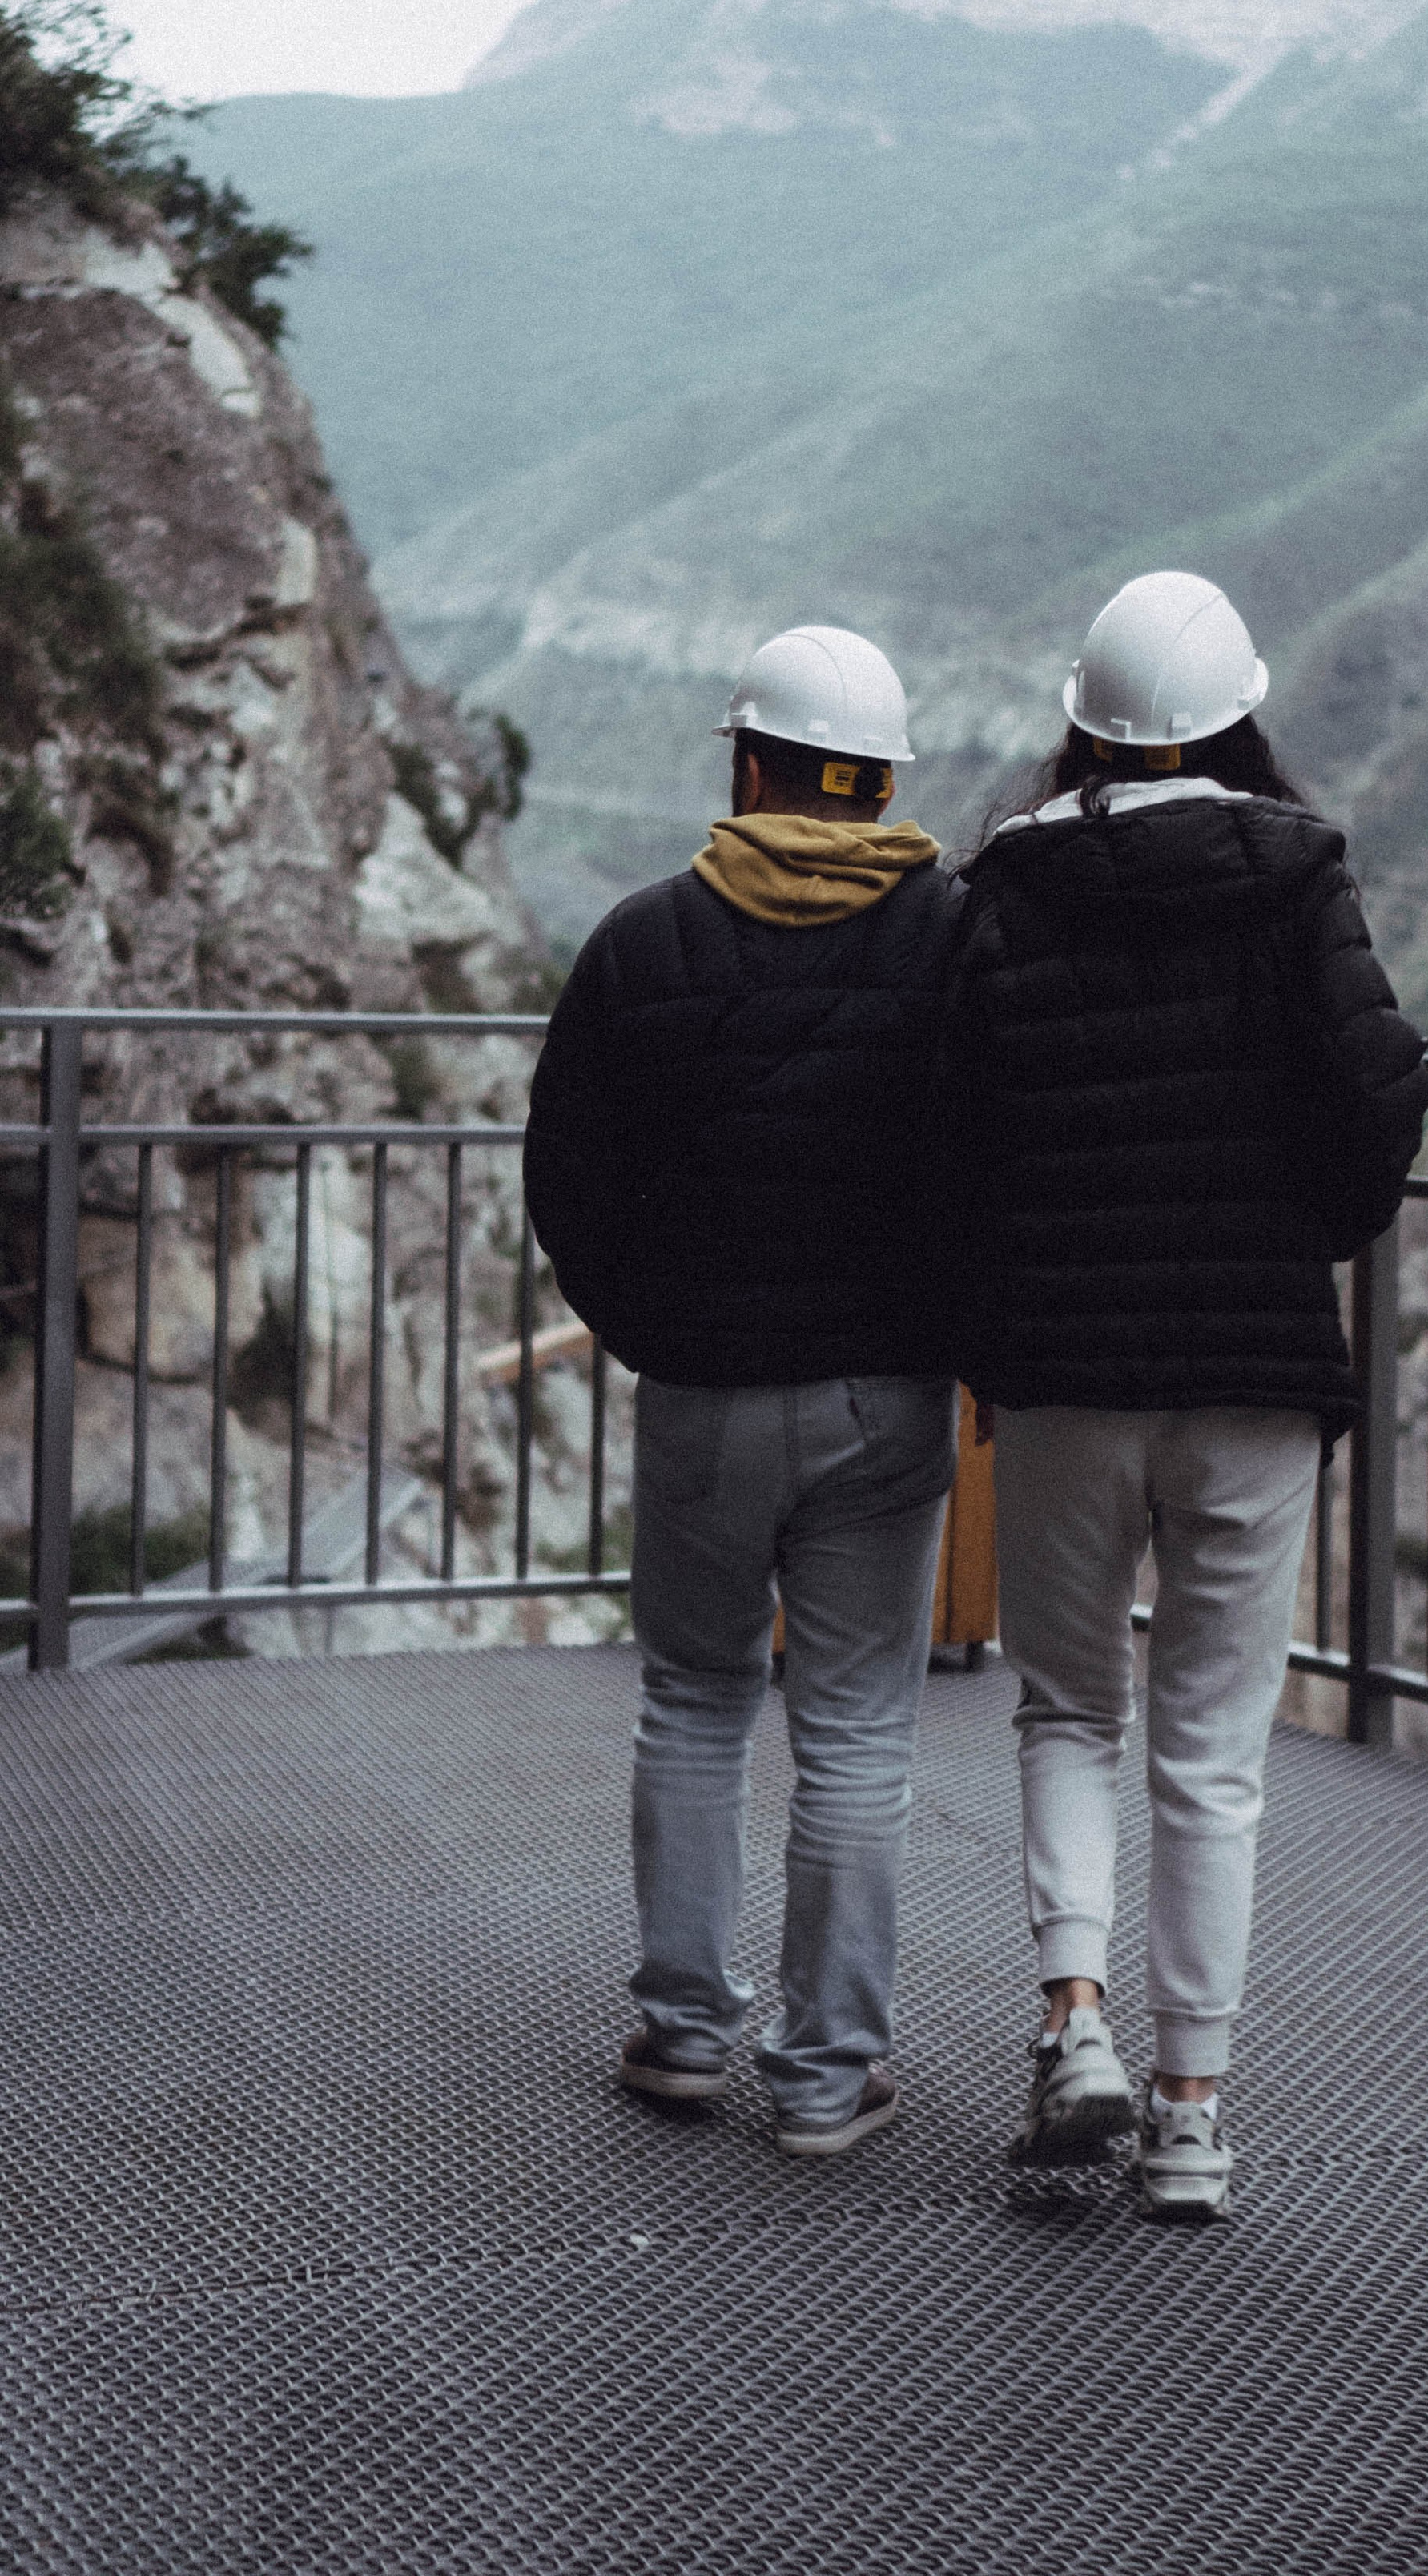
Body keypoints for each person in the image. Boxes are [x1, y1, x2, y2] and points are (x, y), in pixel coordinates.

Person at [938, 571, 1428, 2221]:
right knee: (1212, 1749)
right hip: (1251, 1375)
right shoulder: (1299, 882)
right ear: (1239, 716)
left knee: (1069, 1705)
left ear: (1084, 721)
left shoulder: (1001, 888)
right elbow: (1376, 1101)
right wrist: (1305, 1234)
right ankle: (1193, 2114)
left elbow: (951, 1132)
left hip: (1067, 1373)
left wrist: (992, 1327)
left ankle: (1070, 2017)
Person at [525, 625, 962, 2157]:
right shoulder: (953, 943)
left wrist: (648, 1323)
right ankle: (831, 2076)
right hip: (887, 1404)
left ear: (749, 763)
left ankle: (684, 2032)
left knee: (699, 1701)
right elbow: (1001, 1167)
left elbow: (567, 1179)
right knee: (854, 1731)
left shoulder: (644, 942)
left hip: (703, 1393)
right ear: (886, 781)